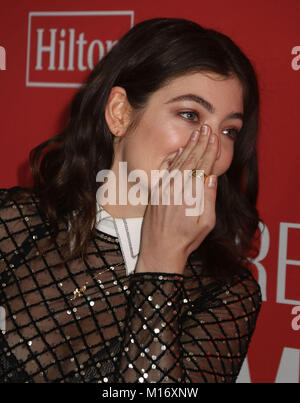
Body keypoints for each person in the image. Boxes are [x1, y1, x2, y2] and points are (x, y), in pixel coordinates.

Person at [0, 17, 263, 383]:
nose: (211, 148)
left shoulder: (224, 293)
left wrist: (162, 263)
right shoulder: (12, 221)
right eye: (190, 114)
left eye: (228, 130)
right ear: (120, 112)